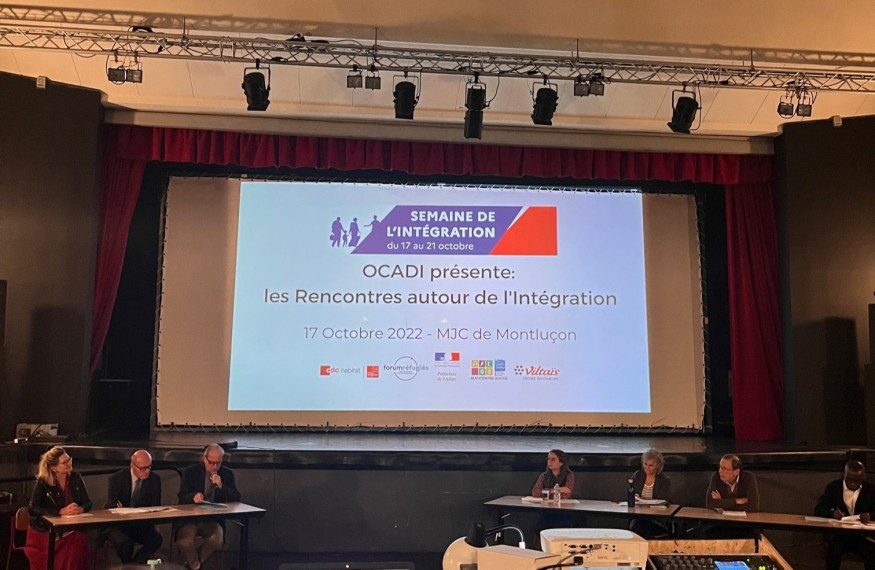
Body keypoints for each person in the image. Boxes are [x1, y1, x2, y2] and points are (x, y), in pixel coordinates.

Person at [24, 446, 92, 570]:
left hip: (71, 526)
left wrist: (80, 509)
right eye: (64, 462)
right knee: (76, 541)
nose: (69, 464)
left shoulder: (75, 477)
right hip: (46, 531)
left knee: (79, 538)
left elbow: (87, 502)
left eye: (69, 460)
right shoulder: (43, 481)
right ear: (54, 468)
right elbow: (32, 508)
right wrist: (60, 511)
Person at [176, 444, 241, 570]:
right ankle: (196, 566)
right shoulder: (191, 472)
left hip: (213, 519)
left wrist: (222, 486)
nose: (215, 466)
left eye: (218, 463)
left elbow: (236, 498)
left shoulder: (227, 474)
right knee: (185, 542)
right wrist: (193, 496)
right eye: (211, 463)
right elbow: (181, 497)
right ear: (205, 459)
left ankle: (192, 565)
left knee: (216, 540)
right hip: (190, 519)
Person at [103, 449, 163, 564]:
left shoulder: (154, 480)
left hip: (140, 524)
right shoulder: (116, 479)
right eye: (142, 468)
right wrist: (122, 512)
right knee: (125, 543)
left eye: (149, 467)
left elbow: (155, 507)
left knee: (156, 539)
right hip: (118, 524)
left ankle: (133, 566)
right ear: (132, 465)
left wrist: (128, 511)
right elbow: (112, 506)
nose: (146, 471)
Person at [814, 459, 875, 570]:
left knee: (871, 553)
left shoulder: (871, 490)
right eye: (849, 479)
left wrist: (869, 515)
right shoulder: (833, 488)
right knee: (833, 551)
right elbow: (819, 509)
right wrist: (833, 514)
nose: (853, 483)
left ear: (863, 477)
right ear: (844, 474)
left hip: (862, 536)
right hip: (840, 534)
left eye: (857, 480)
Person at [628, 449, 672, 538]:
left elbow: (662, 501)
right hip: (638, 516)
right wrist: (634, 496)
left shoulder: (664, 480)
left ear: (658, 466)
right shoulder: (637, 475)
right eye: (645, 464)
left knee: (639, 526)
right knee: (637, 524)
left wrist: (645, 502)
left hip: (655, 518)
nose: (647, 467)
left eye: (651, 465)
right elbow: (630, 492)